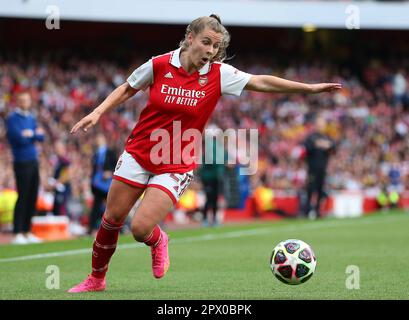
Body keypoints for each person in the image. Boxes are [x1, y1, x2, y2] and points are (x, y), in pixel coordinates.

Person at [68, 14, 341, 293]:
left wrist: (308, 89)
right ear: (190, 38)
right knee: (112, 219)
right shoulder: (160, 64)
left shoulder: (219, 74)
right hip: (138, 151)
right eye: (206, 43)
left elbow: (261, 82)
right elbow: (127, 88)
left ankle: (158, 239)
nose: (210, 51)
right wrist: (97, 112)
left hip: (176, 162)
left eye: (215, 47)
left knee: (140, 228)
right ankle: (96, 279)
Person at [6, 91, 45, 244]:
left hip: (33, 160)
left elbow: (41, 136)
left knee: (32, 196)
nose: (25, 102)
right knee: (22, 196)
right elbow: (17, 138)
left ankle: (27, 230)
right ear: (18, 101)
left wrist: (31, 134)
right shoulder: (13, 118)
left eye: (27, 100)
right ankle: (17, 232)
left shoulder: (31, 117)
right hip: (21, 161)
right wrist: (32, 135)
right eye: (22, 100)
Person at [302, 115, 336, 219]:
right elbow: (308, 147)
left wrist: (326, 145)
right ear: (316, 125)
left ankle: (317, 211)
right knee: (311, 189)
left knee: (320, 190)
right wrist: (320, 144)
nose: (321, 126)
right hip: (313, 168)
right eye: (320, 124)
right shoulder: (311, 137)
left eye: (323, 124)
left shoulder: (326, 137)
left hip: (322, 168)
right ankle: (307, 211)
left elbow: (333, 147)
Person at [88, 134, 117, 235]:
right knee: (96, 207)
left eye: (99, 139)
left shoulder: (110, 153)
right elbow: (94, 168)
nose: (98, 141)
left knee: (112, 207)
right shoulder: (96, 154)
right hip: (97, 185)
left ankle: (117, 228)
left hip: (107, 184)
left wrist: (109, 172)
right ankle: (91, 229)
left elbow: (117, 166)